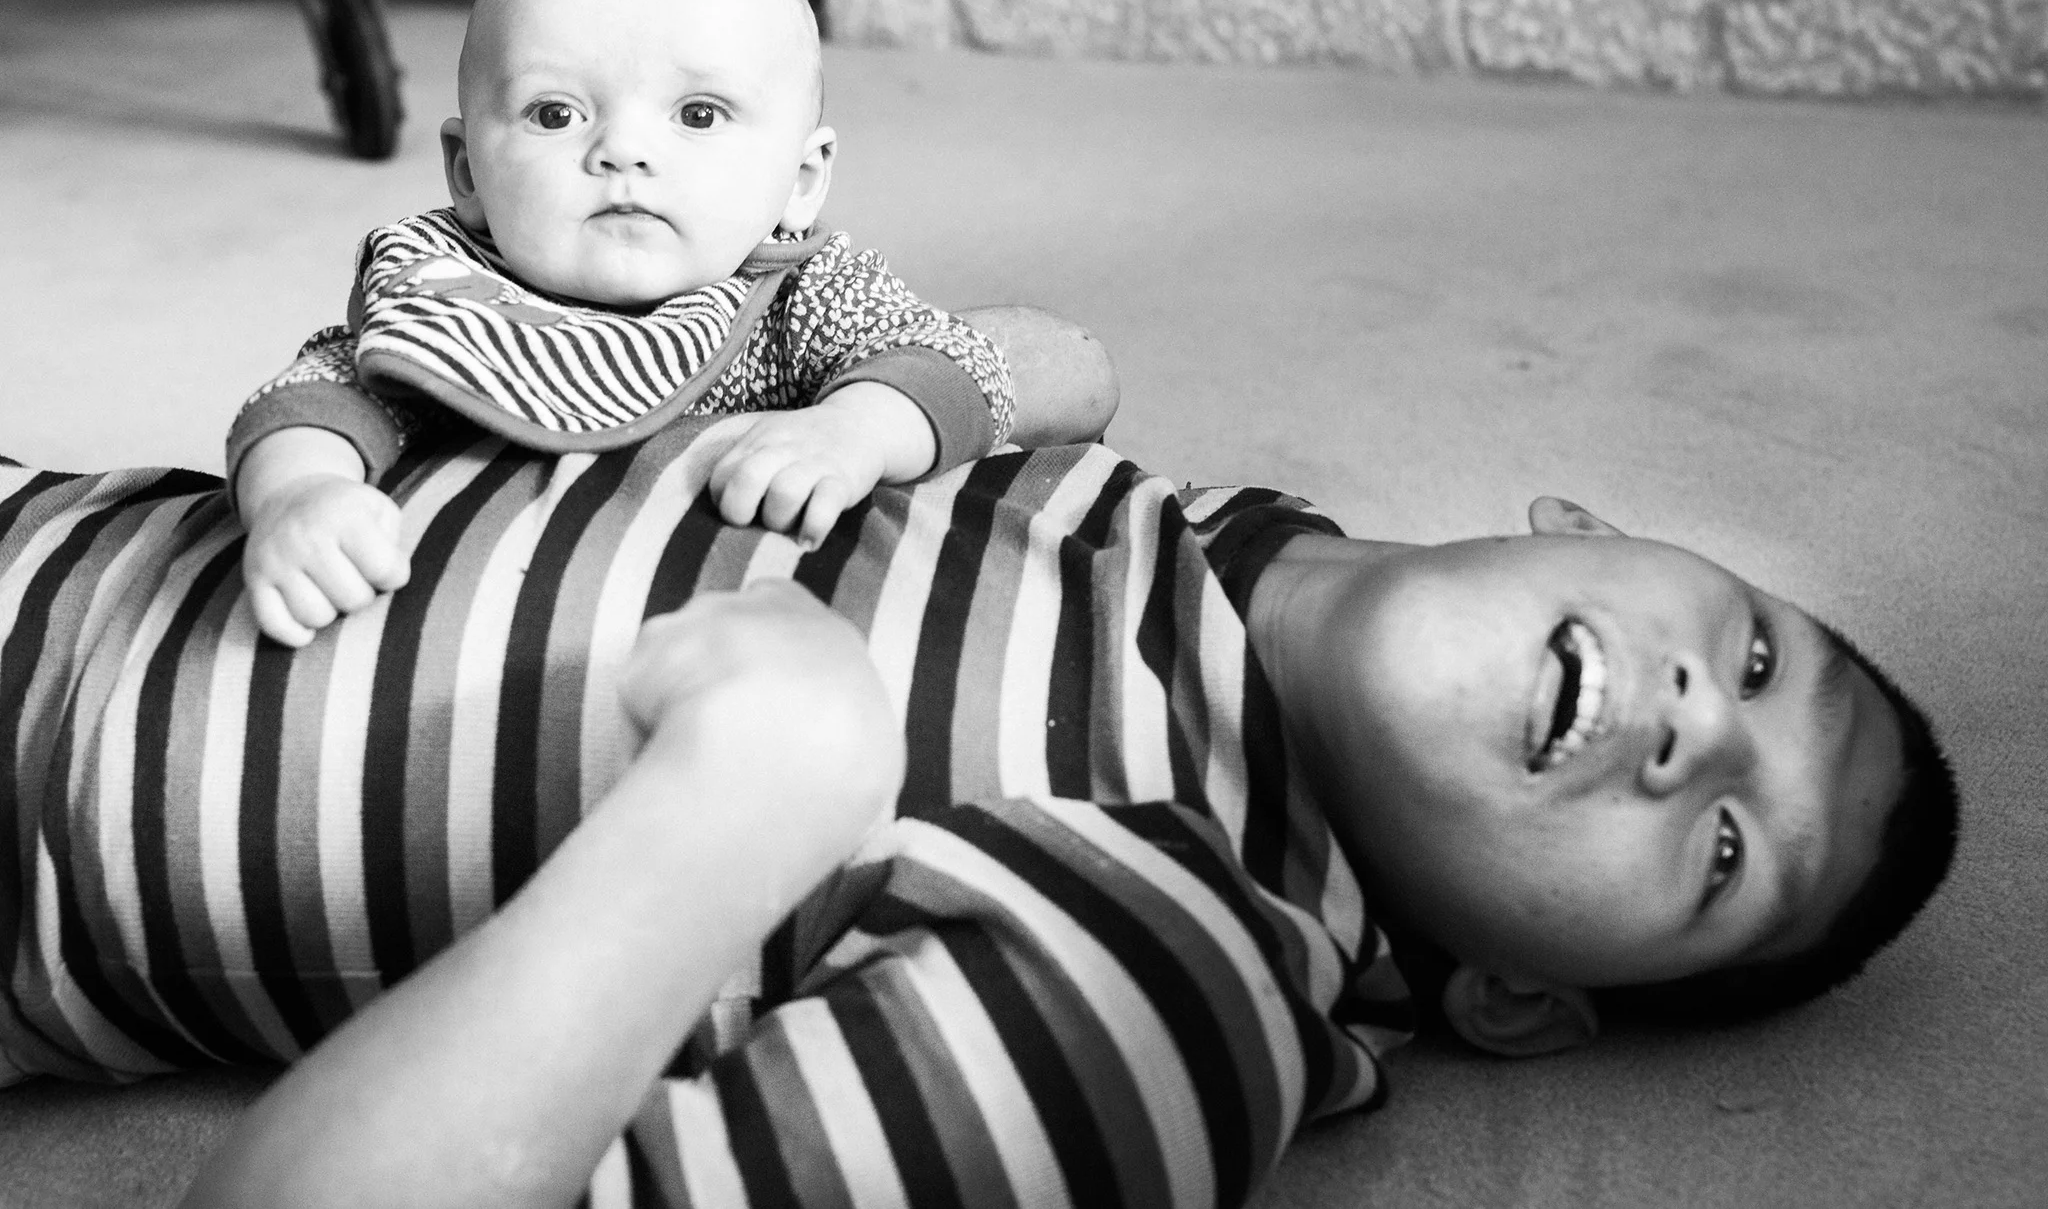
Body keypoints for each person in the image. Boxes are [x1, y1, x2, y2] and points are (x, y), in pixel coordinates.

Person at [0, 416, 1953, 1209]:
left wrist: (733, 813)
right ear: (1590, 524)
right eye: (1765, 661)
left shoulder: (1162, 986)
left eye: (1719, 855)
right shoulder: (1131, 507)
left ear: (1525, 999)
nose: (1705, 734)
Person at [230, 0, 1020, 650]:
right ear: (467, 172)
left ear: (802, 179)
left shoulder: (806, 296)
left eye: (699, 114)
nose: (623, 151)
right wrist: (296, 496)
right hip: (492, 636)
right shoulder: (453, 290)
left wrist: (853, 431)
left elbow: (955, 363)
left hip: (723, 628)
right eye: (555, 113)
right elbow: (314, 396)